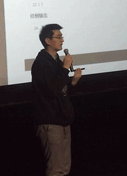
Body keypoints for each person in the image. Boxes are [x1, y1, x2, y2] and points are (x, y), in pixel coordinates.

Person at [31, 23, 82, 176]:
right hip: (50, 121)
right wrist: (65, 68)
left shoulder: (55, 61)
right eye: (58, 37)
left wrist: (73, 82)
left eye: (62, 37)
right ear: (48, 41)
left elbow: (61, 88)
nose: (62, 40)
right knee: (56, 168)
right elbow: (51, 90)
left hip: (62, 118)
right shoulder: (42, 62)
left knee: (64, 167)